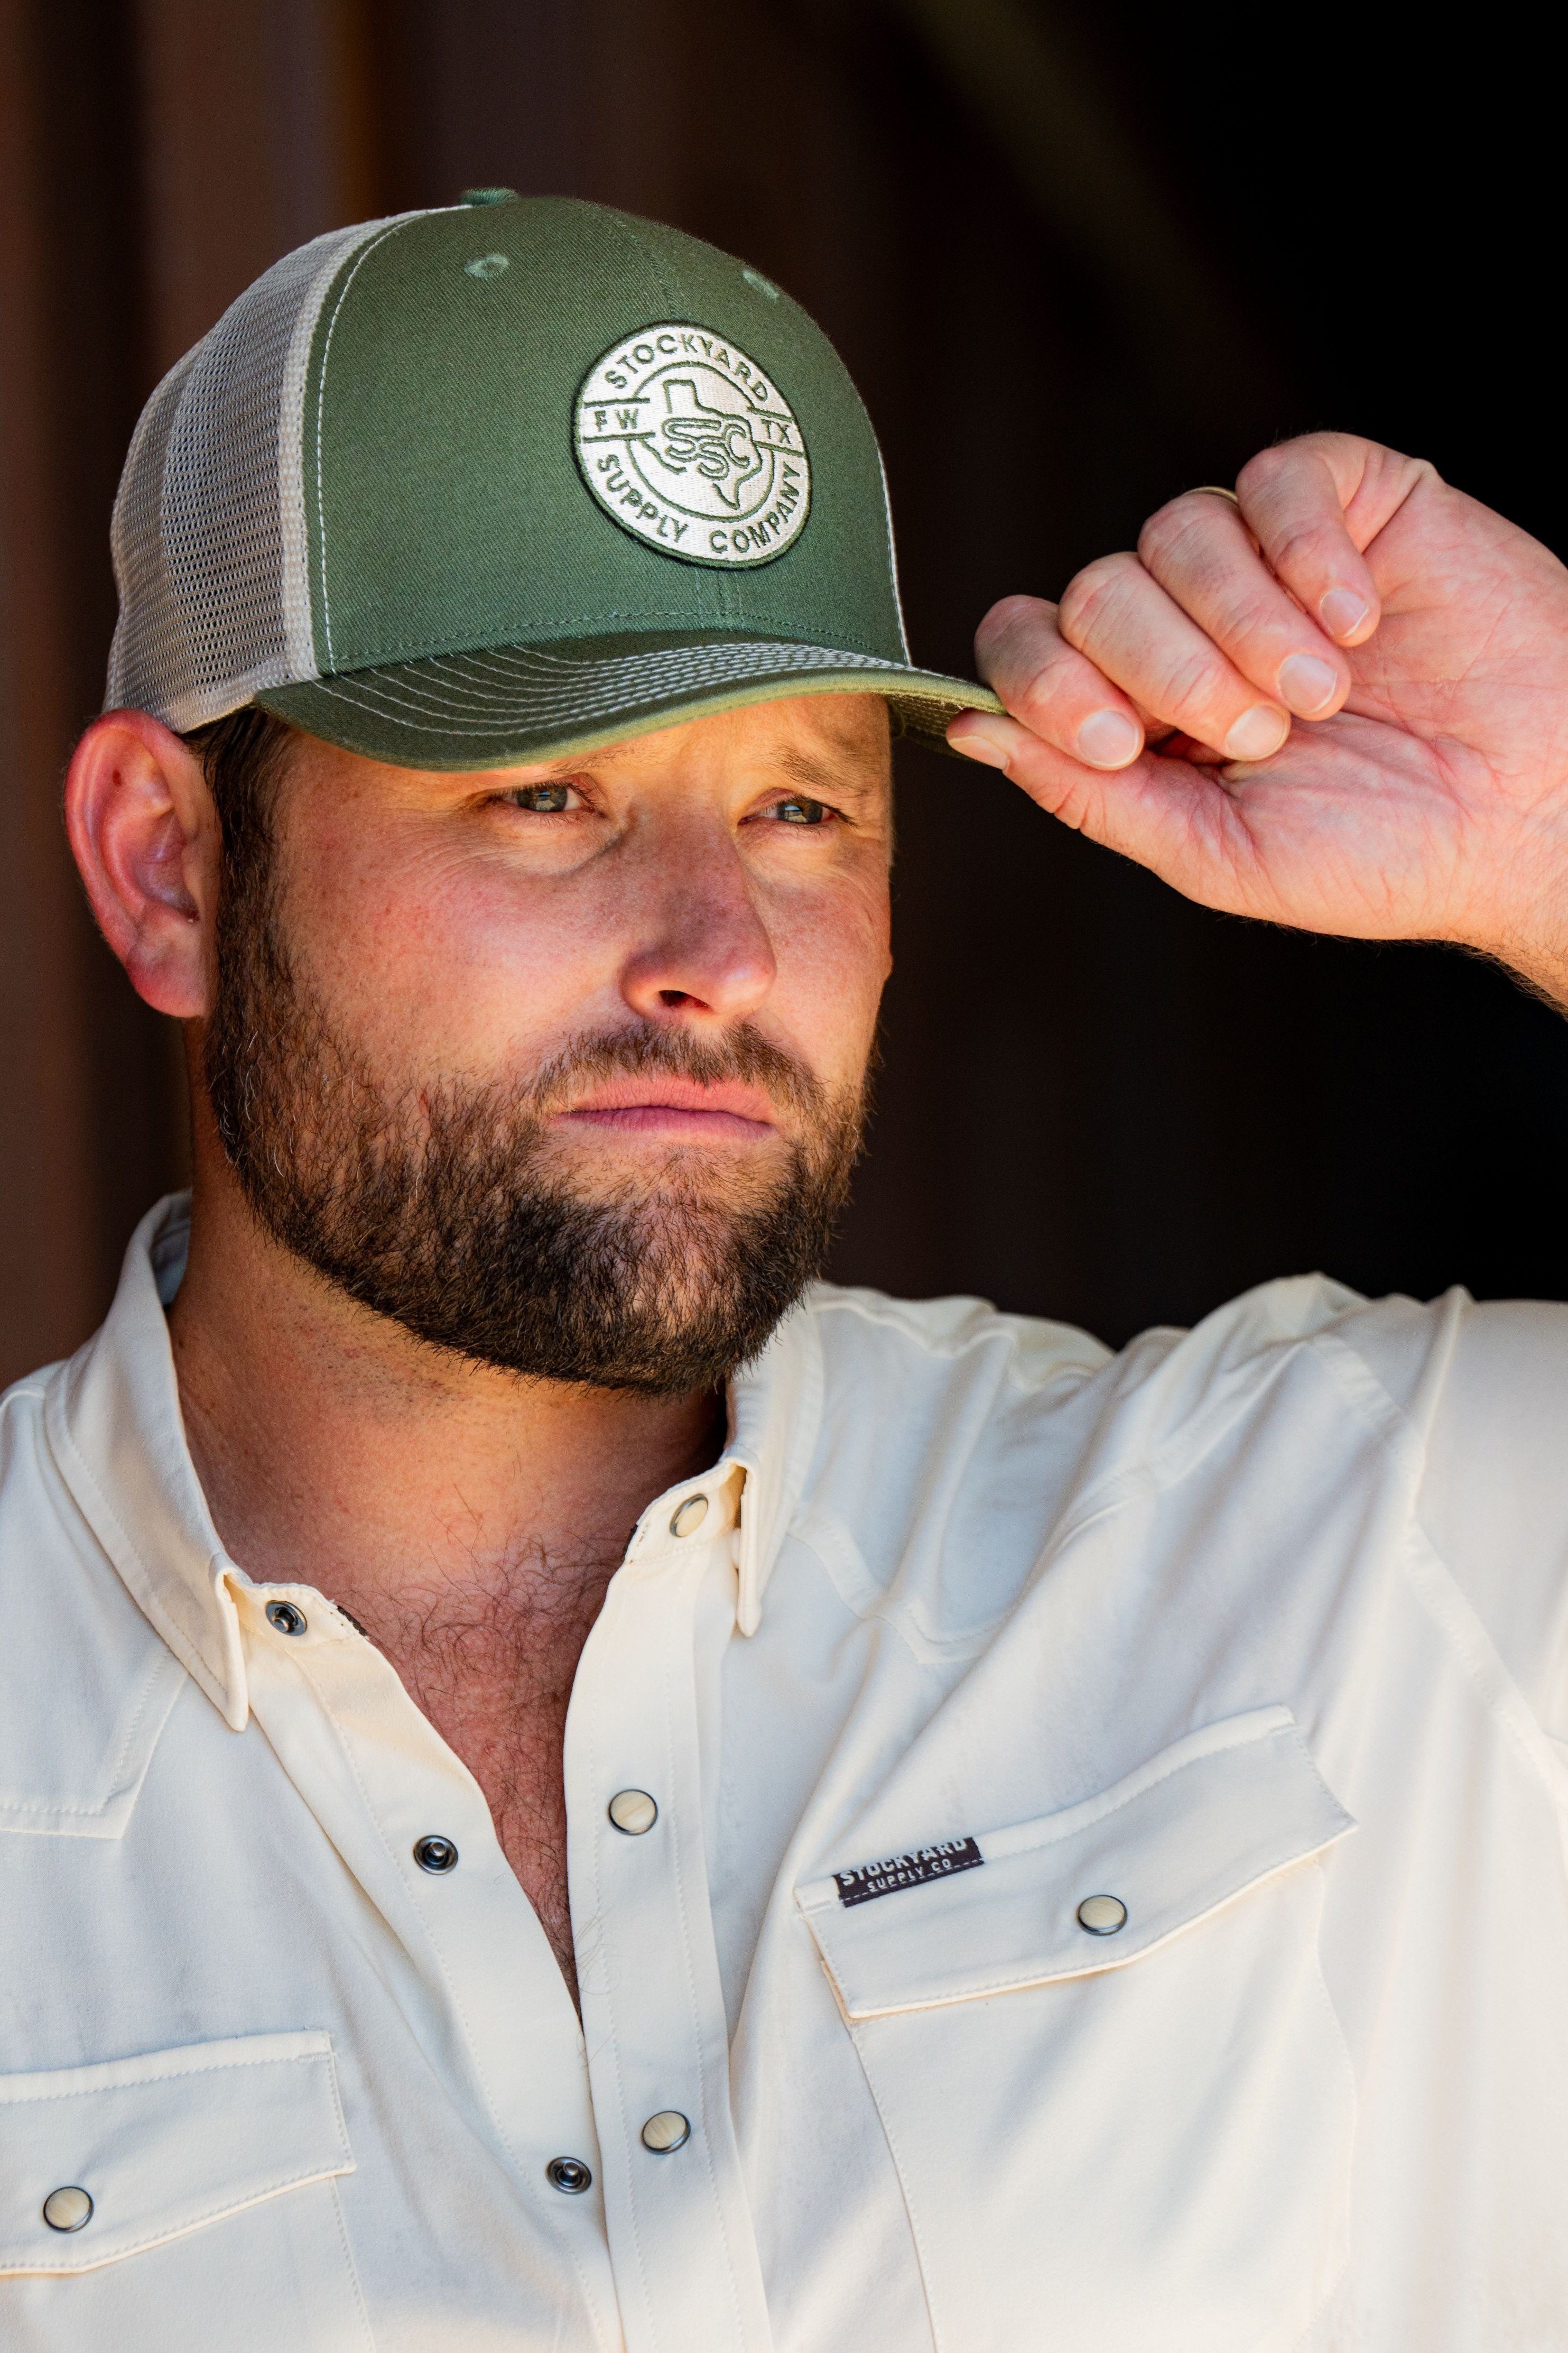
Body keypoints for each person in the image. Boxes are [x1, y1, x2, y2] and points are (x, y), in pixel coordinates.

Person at [2, 192, 1565, 2353]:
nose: (717, 956)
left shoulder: (1319, 1555)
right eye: (546, 795)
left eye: (804, 813)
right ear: (170, 871)